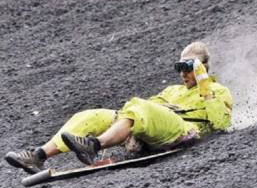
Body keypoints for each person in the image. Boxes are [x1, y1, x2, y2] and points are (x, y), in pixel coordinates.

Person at [5, 41, 233, 174]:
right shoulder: (172, 91)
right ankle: (38, 155)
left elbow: (221, 123)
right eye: (179, 67)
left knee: (140, 106)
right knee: (92, 115)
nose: (183, 73)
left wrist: (204, 85)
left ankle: (94, 146)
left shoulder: (218, 91)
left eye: (188, 67)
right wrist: (121, 125)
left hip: (183, 130)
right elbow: (143, 112)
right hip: (151, 126)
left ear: (202, 67)